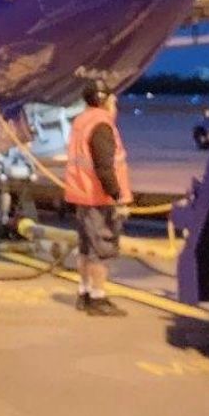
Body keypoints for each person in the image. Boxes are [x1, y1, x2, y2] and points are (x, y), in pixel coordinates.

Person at [64, 79, 132, 317]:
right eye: (114, 100)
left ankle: (84, 293)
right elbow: (105, 167)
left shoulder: (81, 121)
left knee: (85, 248)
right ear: (105, 101)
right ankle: (98, 298)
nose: (116, 105)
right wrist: (117, 196)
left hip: (82, 194)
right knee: (100, 251)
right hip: (99, 198)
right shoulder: (101, 125)